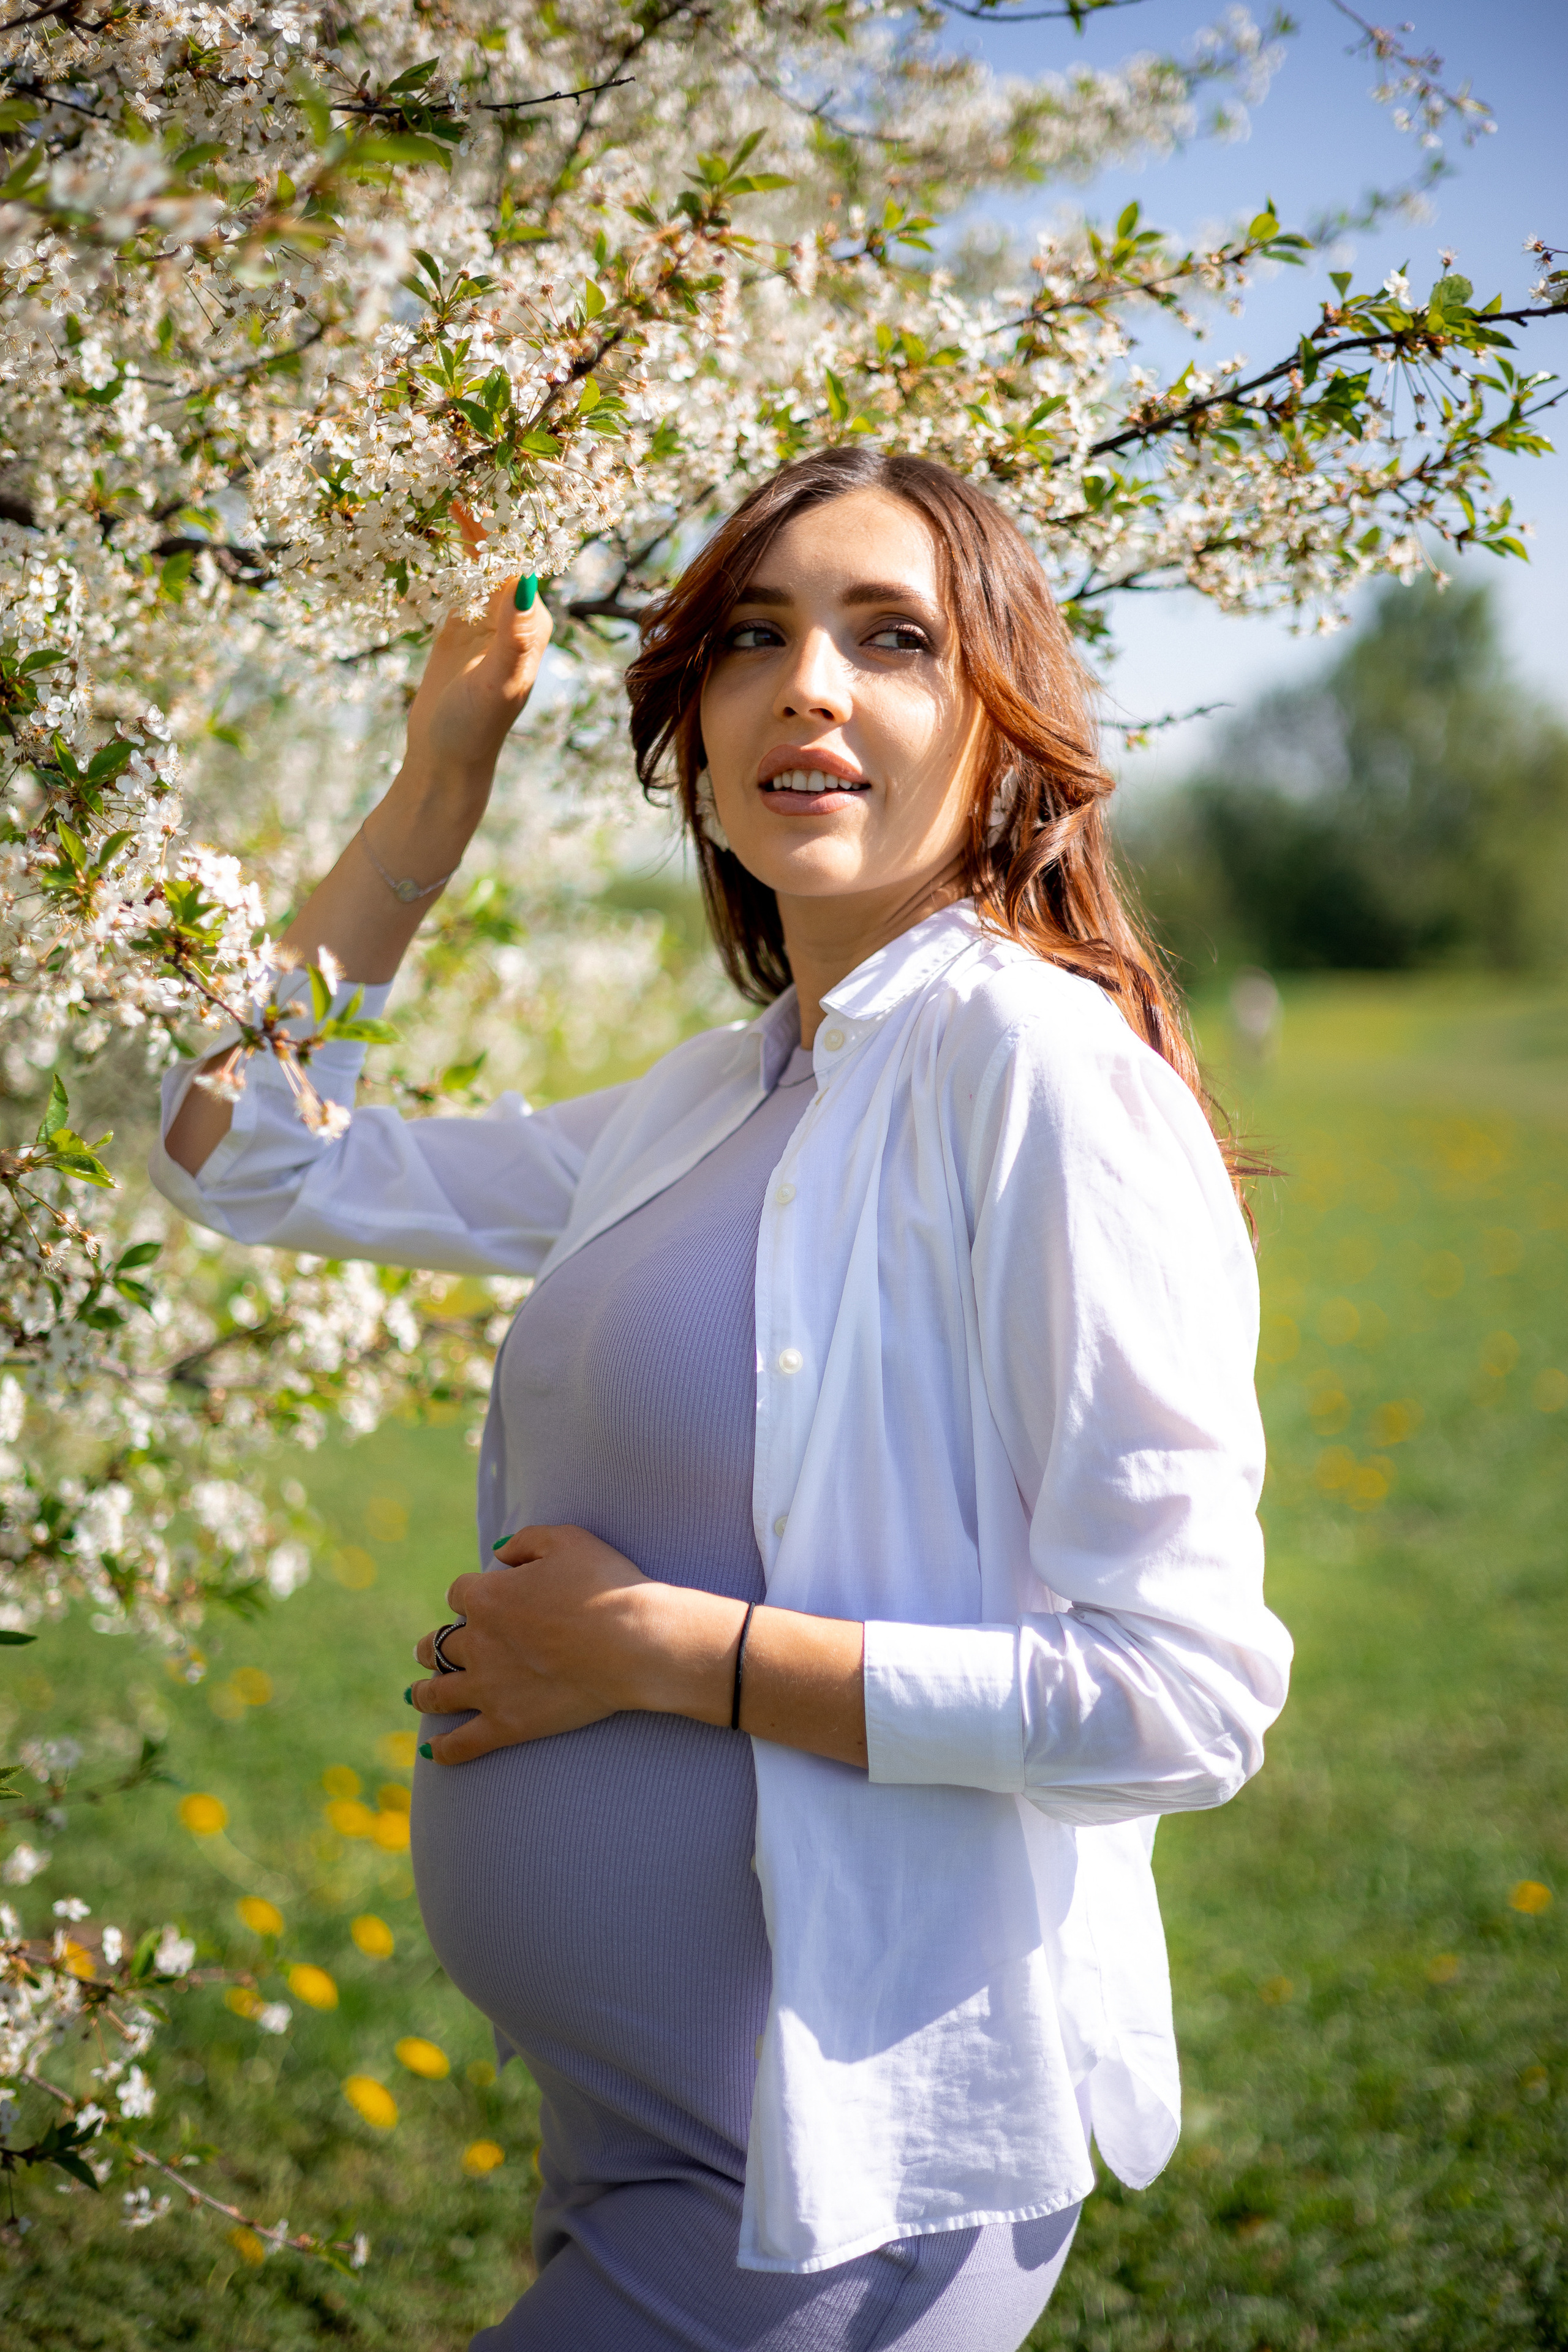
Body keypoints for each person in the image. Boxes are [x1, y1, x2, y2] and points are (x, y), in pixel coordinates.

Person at [154, 448, 1291, 2351]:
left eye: (892, 638)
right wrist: (440, 783)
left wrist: (672, 1654)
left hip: (844, 2191)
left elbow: (1183, 1698)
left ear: (1002, 720)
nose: (808, 686)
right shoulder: (718, 1092)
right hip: (643, 2146)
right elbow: (241, 1150)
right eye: (754, 637)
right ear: (695, 722)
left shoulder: (1033, 1072)